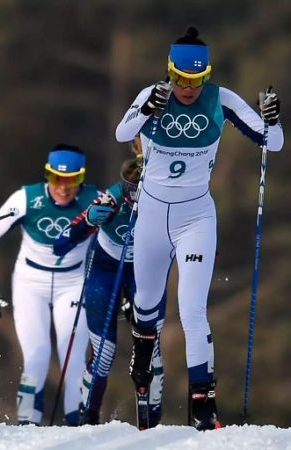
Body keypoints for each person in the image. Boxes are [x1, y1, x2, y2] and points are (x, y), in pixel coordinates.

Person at [114, 26, 283, 430]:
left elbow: (272, 142)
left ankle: (203, 407)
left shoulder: (219, 99)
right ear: (169, 73)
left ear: (205, 77)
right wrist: (147, 110)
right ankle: (143, 366)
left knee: (192, 311)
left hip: (195, 218)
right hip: (153, 216)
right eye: (179, 80)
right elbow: (122, 133)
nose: (186, 89)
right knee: (147, 309)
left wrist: (272, 118)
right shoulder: (153, 94)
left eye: (194, 81)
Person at [0, 145, 98, 425]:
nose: (64, 188)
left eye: (73, 181)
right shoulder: (26, 197)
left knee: (73, 359)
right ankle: (27, 427)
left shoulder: (95, 200)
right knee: (37, 356)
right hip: (30, 283)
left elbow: (120, 236)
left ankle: (78, 427)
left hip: (74, 283)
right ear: (48, 175)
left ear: (82, 179)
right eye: (58, 179)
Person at [53, 154, 165, 426]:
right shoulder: (110, 199)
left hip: (143, 271)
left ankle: (153, 412)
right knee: (104, 350)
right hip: (105, 271)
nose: (134, 196)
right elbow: (60, 243)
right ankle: (88, 414)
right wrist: (89, 220)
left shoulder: (166, 199)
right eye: (129, 189)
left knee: (152, 344)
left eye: (140, 189)